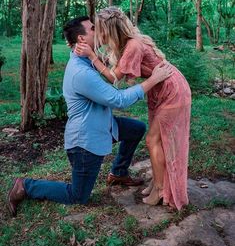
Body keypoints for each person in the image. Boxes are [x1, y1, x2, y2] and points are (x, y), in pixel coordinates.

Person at [7, 16, 173, 217]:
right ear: (81, 39)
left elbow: (112, 69)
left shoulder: (86, 58)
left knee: (136, 129)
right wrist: (153, 80)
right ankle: (25, 185)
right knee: (78, 196)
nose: (99, 30)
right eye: (93, 28)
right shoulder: (81, 73)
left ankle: (118, 173)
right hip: (85, 142)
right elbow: (118, 99)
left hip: (103, 126)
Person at [75, 8, 191, 210]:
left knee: (152, 139)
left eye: (101, 30)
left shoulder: (133, 46)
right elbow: (114, 69)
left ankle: (160, 191)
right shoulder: (130, 42)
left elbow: (113, 78)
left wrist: (92, 56)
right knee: (159, 139)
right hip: (160, 89)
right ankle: (157, 183)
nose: (99, 34)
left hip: (172, 90)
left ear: (110, 29)